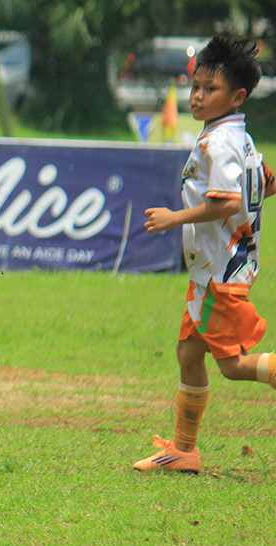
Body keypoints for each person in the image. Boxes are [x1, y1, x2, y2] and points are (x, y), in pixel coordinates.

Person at [134, 34, 276, 474]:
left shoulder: (219, 143)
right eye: (195, 86)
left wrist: (174, 218)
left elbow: (228, 203)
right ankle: (184, 450)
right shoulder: (238, 137)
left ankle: (184, 447)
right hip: (214, 270)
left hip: (219, 271)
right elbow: (266, 183)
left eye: (209, 89)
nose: (196, 96)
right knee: (189, 354)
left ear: (236, 97)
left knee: (231, 365)